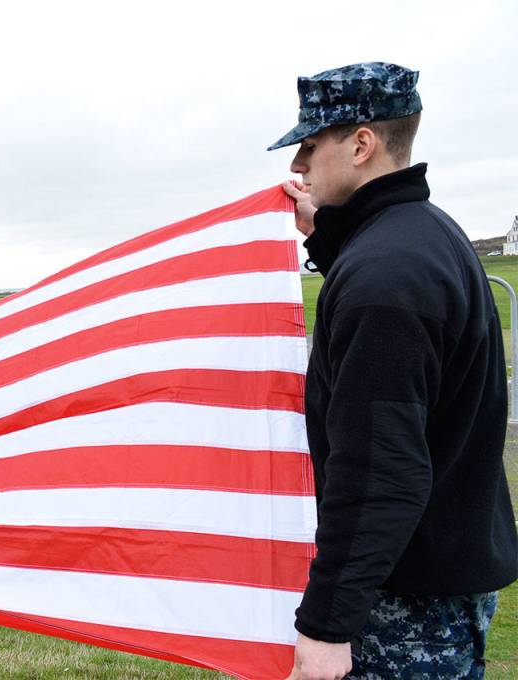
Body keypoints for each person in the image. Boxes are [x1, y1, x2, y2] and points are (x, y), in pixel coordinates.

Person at [269, 63, 516, 679]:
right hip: (435, 578)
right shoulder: (421, 237)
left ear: (360, 144)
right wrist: (325, 239)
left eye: (309, 144)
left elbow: (380, 470)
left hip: (405, 605)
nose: (297, 165)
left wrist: (326, 627)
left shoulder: (385, 275)